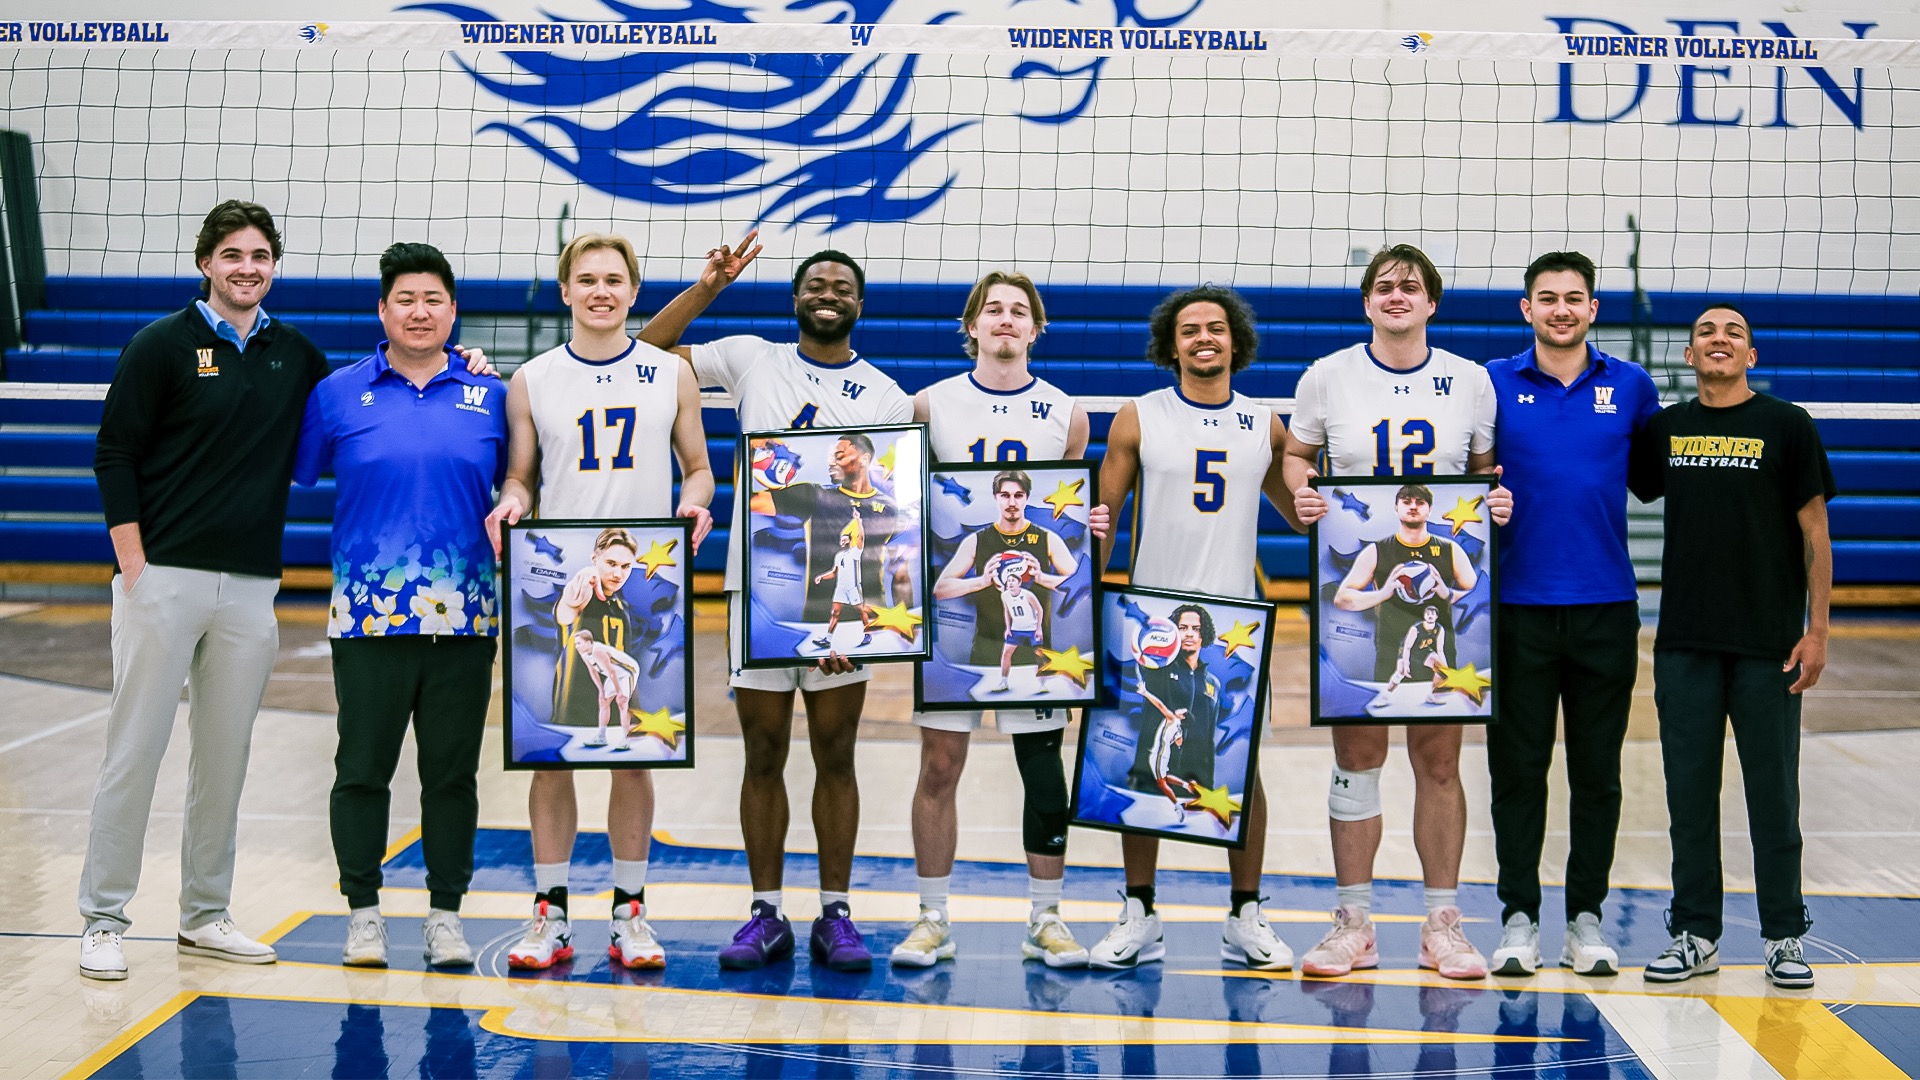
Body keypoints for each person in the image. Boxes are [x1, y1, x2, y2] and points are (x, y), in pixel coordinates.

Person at [81, 203, 491, 981]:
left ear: (274, 265)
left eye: (260, 254)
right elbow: (115, 452)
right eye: (232, 254)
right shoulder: (160, 345)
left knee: (225, 756)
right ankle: (104, 917)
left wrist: (467, 365)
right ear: (206, 261)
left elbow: (400, 397)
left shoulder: (298, 357)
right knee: (135, 749)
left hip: (250, 587)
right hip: (162, 576)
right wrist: (133, 564)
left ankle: (204, 914)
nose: (247, 267)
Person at [639, 245, 912, 972]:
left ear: (860, 303)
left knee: (836, 753)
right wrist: (706, 286)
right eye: (816, 284)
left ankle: (835, 914)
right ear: (795, 298)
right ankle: (765, 911)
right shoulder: (750, 357)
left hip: (842, 597)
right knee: (762, 752)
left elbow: (886, 513)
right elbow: (645, 354)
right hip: (757, 592)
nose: (829, 293)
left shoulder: (885, 396)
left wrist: (867, 618)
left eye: (843, 286)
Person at [486, 232, 718, 971]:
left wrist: (694, 505)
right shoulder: (533, 380)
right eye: (585, 279)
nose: (600, 291)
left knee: (633, 752)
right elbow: (521, 476)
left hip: (643, 588)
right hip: (562, 584)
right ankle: (550, 914)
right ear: (565, 291)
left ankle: (629, 913)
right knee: (551, 755)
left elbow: (700, 469)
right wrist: (510, 504)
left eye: (614, 279)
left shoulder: (669, 374)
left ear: (633, 290)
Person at [1282, 244, 1510, 981]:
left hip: (1443, 597)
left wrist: (1492, 503)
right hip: (1361, 580)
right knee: (1357, 759)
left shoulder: (1471, 382)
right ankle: (1354, 922)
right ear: (1366, 302)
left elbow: (1482, 477)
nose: (1397, 294)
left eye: (1411, 285)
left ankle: (1442, 920)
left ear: (1432, 302)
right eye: (1384, 286)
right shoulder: (1327, 376)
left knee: (1438, 759)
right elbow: (1294, 458)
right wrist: (1302, 498)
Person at [292, 242, 505, 969]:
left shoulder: (494, 396)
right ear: (382, 310)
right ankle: (363, 914)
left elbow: (523, 487)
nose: (420, 311)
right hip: (367, 618)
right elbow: (291, 471)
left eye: (434, 300)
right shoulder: (336, 394)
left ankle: (446, 917)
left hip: (467, 620)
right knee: (361, 770)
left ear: (453, 312)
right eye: (406, 299)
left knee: (451, 776)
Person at [889, 272, 1107, 972]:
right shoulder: (931, 404)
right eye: (994, 311)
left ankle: (1047, 920)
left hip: (1034, 627)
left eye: (1020, 312)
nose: (1007, 320)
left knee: (1043, 773)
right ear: (972, 326)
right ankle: (932, 918)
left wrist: (1088, 522)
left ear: (1035, 329)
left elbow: (1068, 513)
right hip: (957, 621)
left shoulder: (1066, 413)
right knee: (939, 765)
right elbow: (904, 504)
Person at [1088, 283, 1296, 972]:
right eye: (1189, 330)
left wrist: (1336, 494)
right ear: (1170, 345)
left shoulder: (1265, 426)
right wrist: (1078, 615)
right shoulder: (1138, 417)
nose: (1203, 338)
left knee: (1244, 765)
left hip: (1235, 626)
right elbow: (1101, 517)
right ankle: (1140, 911)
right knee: (1144, 765)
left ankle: (1245, 915)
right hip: (1151, 619)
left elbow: (1302, 516)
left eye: (1215, 328)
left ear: (1236, 341)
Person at [1628, 302, 1834, 990]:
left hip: (1769, 644)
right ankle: (1695, 934)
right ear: (1688, 357)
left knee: (1773, 795)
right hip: (1684, 641)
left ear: (1752, 356)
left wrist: (1818, 630)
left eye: (1734, 332)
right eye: (1706, 333)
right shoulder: (1665, 429)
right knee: (1689, 796)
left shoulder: (1787, 425)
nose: (1719, 339)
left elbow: (1816, 535)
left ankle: (1783, 935)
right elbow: (1621, 482)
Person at [1483, 251, 1662, 978]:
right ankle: (1519, 918)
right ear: (1526, 309)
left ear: (1593, 310)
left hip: (1605, 609)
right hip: (1515, 608)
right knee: (1517, 771)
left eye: (1575, 298)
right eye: (1547, 298)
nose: (1562, 309)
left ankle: (1585, 918)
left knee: (1598, 774)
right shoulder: (1489, 383)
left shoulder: (1632, 386)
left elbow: (1654, 483)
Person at [1331, 483, 1476, 701]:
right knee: (1384, 711)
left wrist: (1448, 593)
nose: (1413, 507)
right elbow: (1342, 599)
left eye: (1420, 502)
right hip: (1391, 649)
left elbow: (1479, 595)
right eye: (1407, 502)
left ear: (1430, 509)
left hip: (1438, 651)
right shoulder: (1377, 550)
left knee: (1436, 719)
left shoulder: (1450, 550)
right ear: (1396, 508)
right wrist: (1384, 593)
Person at [1132, 604, 1221, 815]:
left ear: (1203, 634)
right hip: (1152, 776)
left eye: (1196, 628)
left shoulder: (1213, 683)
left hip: (1198, 780)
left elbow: (1209, 736)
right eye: (1183, 627)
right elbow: (1143, 659)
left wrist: (1207, 781)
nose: (1189, 633)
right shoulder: (1157, 668)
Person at [572, 631, 642, 749]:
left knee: (622, 703)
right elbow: (593, 671)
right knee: (603, 701)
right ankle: (601, 737)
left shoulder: (598, 652)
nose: (576, 646)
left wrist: (619, 692)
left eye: (579, 643)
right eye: (575, 644)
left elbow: (612, 672)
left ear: (589, 643)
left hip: (628, 672)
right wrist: (601, 691)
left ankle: (626, 739)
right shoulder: (583, 652)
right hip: (614, 674)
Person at [812, 528, 875, 650]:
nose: (843, 542)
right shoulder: (838, 555)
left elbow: (861, 537)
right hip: (841, 588)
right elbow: (833, 572)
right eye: (841, 540)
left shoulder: (855, 552)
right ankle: (827, 640)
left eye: (845, 540)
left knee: (861, 611)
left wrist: (859, 521)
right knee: (835, 612)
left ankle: (868, 634)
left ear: (850, 541)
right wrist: (821, 577)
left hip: (853, 587)